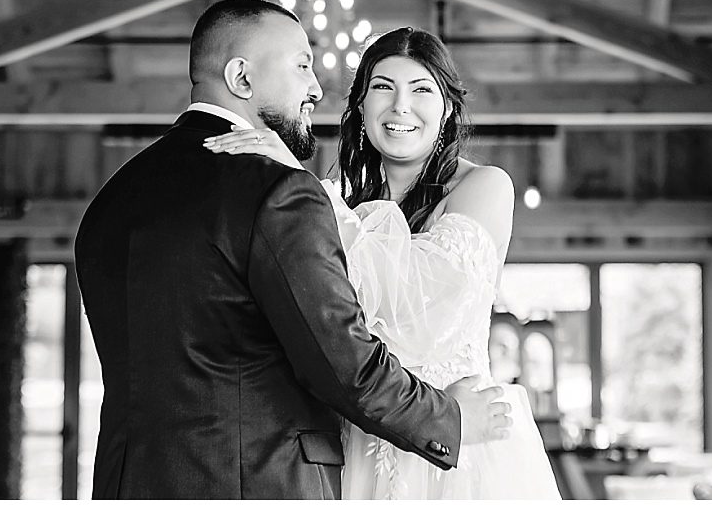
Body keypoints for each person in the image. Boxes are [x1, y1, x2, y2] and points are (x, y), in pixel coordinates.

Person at [74, 0, 511, 499]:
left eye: (421, 90)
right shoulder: (281, 190)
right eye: (303, 65)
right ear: (241, 77)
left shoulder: (111, 201)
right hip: (258, 481)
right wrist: (449, 420)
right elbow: (341, 360)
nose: (316, 88)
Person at [208, 26, 560, 499]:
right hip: (362, 446)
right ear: (360, 106)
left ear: (448, 108)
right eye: (382, 87)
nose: (400, 107)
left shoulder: (485, 187)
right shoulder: (346, 209)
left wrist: (298, 183)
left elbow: (415, 303)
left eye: (421, 90)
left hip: (462, 446)